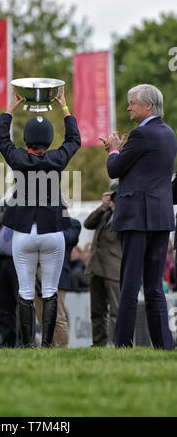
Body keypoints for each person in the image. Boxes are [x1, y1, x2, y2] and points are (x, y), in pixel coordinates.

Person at [0, 86, 81, 348]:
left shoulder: (19, 158)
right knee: (51, 292)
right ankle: (46, 345)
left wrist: (11, 108)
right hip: (52, 233)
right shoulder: (56, 159)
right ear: (48, 140)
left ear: (28, 139)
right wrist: (64, 107)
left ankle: (27, 343)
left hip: (24, 233)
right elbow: (74, 140)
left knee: (25, 292)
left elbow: (1, 139)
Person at [100, 84, 176, 350]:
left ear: (148, 106)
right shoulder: (169, 134)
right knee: (154, 287)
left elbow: (114, 169)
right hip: (161, 218)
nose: (128, 107)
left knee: (129, 285)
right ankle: (164, 345)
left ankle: (122, 344)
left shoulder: (140, 134)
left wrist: (113, 149)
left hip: (137, 218)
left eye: (132, 102)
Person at [34, 217, 81, 347]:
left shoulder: (73, 224)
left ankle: (61, 348)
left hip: (58, 274)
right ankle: (48, 347)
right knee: (41, 316)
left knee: (57, 316)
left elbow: (67, 238)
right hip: (36, 273)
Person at [83, 189, 121, 346]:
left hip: (114, 269)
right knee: (97, 311)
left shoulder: (125, 214)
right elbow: (88, 223)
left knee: (115, 311)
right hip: (96, 268)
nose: (113, 200)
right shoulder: (105, 214)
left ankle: (117, 343)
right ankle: (98, 343)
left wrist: (120, 208)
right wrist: (103, 206)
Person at [0, 208, 19, 348]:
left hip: (19, 262)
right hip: (2, 262)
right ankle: (7, 342)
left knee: (22, 304)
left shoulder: (28, 213)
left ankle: (24, 341)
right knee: (3, 304)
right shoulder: (4, 218)